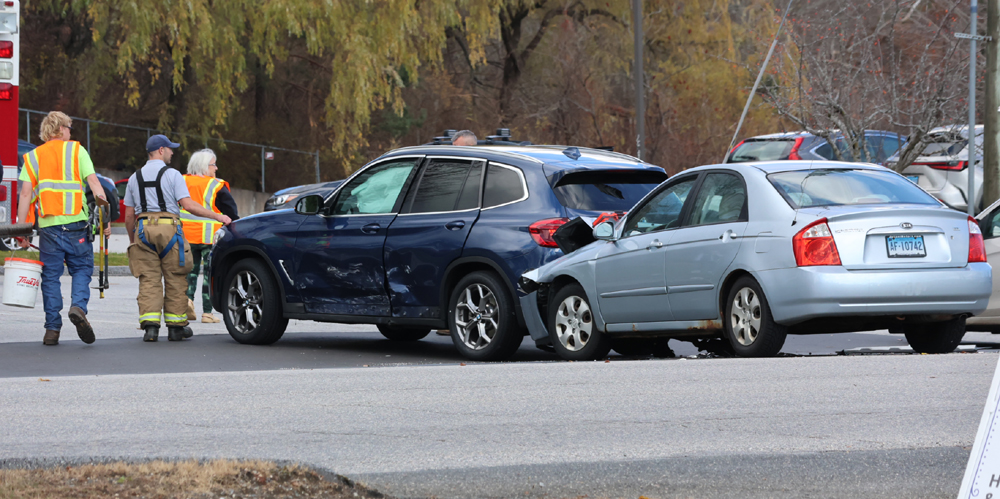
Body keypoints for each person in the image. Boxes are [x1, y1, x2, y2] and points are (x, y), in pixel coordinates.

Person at [123, 135, 231, 342]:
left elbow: (129, 215)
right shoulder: (172, 175)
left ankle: (151, 328)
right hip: (169, 229)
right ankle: (176, 328)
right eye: (170, 149)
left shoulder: (134, 178)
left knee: (149, 279)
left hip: (143, 229)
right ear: (161, 150)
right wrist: (218, 216)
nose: (173, 152)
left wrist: (132, 239)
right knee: (175, 277)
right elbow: (188, 205)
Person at [16, 111, 108, 346]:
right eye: (69, 127)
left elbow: (25, 193)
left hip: (48, 228)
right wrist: (104, 217)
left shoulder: (33, 156)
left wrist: (21, 229)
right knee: (81, 270)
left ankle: (52, 330)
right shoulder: (77, 151)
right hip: (76, 225)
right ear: (60, 129)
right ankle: (78, 307)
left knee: (50, 278)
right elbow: (94, 184)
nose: (70, 131)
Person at [181, 149, 239, 323]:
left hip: (185, 236)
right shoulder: (216, 185)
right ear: (205, 166)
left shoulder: (182, 181)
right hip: (209, 237)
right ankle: (207, 312)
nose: (216, 168)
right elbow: (231, 212)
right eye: (213, 164)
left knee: (189, 272)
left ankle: (187, 302)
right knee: (209, 274)